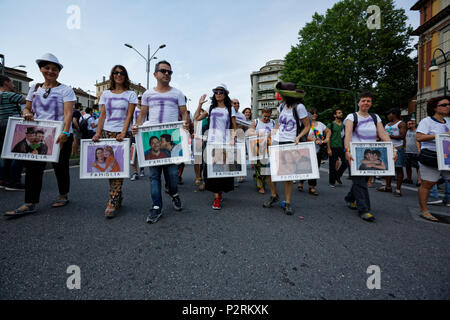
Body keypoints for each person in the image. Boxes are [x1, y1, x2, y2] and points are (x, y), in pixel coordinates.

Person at [5, 53, 76, 217]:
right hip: (39, 134)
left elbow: (68, 113)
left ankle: (63, 194)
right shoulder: (35, 88)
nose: (50, 71)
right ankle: (30, 203)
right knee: (33, 168)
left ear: (59, 72)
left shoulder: (66, 90)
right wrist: (26, 113)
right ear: (41, 69)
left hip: (60, 135)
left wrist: (65, 132)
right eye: (47, 68)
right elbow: (27, 108)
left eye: (54, 69)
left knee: (61, 167)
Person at [133, 60, 188, 224]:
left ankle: (174, 194)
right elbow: (142, 115)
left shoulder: (177, 93)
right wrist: (137, 126)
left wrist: (185, 124)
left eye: (169, 72)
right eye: (163, 71)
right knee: (154, 176)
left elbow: (184, 114)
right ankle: (156, 206)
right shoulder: (148, 94)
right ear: (155, 74)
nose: (167, 74)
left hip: (171, 140)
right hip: (153, 138)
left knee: (172, 174)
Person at [343, 91, 395, 222]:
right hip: (355, 153)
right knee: (360, 182)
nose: (366, 103)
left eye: (369, 101)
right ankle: (364, 210)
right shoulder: (351, 117)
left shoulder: (375, 117)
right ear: (359, 102)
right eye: (364, 100)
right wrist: (347, 151)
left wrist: (392, 149)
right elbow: (348, 134)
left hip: (370, 154)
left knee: (363, 180)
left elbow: (383, 134)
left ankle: (350, 198)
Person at [93, 65, 137, 219]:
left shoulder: (131, 94)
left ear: (125, 76)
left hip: (121, 134)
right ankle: (117, 196)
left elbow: (129, 116)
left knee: (117, 168)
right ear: (112, 75)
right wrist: (98, 133)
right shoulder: (105, 94)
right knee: (109, 168)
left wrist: (123, 133)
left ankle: (112, 201)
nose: (119, 75)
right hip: (106, 133)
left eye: (122, 73)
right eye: (115, 73)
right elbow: (102, 115)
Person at [263, 82, 310, 215]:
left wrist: (299, 137)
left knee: (287, 174)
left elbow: (307, 125)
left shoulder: (299, 107)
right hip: (277, 142)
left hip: (290, 142)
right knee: (268, 171)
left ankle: (288, 202)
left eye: (281, 94)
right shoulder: (281, 106)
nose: (279, 96)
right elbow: (279, 123)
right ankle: (274, 195)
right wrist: (272, 132)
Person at [194, 84, 237, 210]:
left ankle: (220, 192)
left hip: (225, 143)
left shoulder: (230, 109)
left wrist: (233, 139)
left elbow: (234, 126)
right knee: (212, 171)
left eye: (221, 91)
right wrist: (200, 104)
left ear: (225, 94)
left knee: (223, 170)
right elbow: (196, 118)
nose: (218, 93)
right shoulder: (210, 107)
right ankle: (216, 198)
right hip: (211, 143)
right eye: (216, 91)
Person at [416, 96, 450, 222]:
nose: (448, 106)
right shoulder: (427, 121)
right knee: (428, 184)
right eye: (444, 104)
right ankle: (424, 211)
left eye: (448, 104)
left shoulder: (449, 122)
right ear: (435, 107)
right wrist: (440, 135)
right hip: (431, 156)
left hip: (447, 157)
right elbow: (419, 137)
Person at [0, 75, 26, 191]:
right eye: (12, 82)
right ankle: (14, 181)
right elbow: (27, 101)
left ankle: (4, 179)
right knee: (19, 152)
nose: (14, 85)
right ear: (6, 83)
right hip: (11, 126)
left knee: (5, 154)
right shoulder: (9, 95)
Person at [297, 108, 330, 196]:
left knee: (315, 169)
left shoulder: (320, 124)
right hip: (306, 149)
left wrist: (327, 138)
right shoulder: (305, 124)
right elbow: (303, 135)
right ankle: (301, 182)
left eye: (315, 113)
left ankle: (312, 187)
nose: (314, 115)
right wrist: (314, 140)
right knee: (305, 167)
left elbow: (328, 131)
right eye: (312, 113)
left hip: (317, 150)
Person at [376, 108, 406, 196]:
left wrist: (389, 136)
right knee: (388, 168)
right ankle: (387, 187)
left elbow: (402, 136)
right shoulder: (387, 124)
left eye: (389, 114)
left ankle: (398, 189)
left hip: (397, 148)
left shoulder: (401, 123)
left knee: (398, 168)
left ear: (394, 114)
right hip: (387, 147)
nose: (388, 116)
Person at [248, 107, 276, 194]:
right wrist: (260, 134)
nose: (267, 118)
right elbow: (249, 132)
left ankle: (262, 182)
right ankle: (261, 186)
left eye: (268, 116)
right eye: (265, 116)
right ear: (261, 114)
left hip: (270, 148)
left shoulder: (273, 122)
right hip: (257, 148)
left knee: (267, 167)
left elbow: (276, 132)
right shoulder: (256, 122)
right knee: (259, 167)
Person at [327, 108, 347, 187]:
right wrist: (328, 149)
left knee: (345, 162)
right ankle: (332, 182)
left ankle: (337, 176)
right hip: (332, 147)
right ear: (335, 115)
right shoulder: (330, 125)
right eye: (339, 113)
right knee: (332, 165)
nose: (341, 114)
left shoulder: (344, 125)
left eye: (341, 112)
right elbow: (327, 138)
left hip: (342, 147)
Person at [403, 119, 421, 187]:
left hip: (415, 151)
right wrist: (404, 147)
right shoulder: (407, 131)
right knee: (408, 165)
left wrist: (419, 149)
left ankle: (419, 180)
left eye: (410, 124)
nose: (408, 125)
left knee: (417, 166)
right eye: (408, 124)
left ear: (414, 124)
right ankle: (409, 178)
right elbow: (405, 140)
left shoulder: (417, 132)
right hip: (407, 151)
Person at [130, 95, 145, 181]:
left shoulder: (147, 109)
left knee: (142, 153)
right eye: (139, 98)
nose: (140, 100)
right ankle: (135, 172)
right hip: (134, 133)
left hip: (143, 133)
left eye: (142, 98)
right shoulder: (133, 109)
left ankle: (142, 168)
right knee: (133, 153)